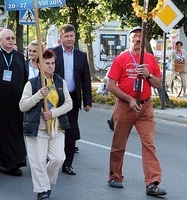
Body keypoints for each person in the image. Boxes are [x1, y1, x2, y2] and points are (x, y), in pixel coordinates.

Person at [106, 26, 167, 196]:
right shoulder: (121, 58)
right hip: (125, 106)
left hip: (145, 107)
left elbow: (159, 84)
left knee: (149, 144)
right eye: (135, 36)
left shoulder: (150, 59)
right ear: (130, 40)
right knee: (119, 144)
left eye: (141, 36)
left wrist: (148, 74)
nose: (138, 39)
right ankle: (115, 176)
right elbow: (110, 85)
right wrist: (129, 99)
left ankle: (152, 183)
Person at [19, 49, 72, 200]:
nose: (50, 66)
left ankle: (45, 182)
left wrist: (53, 113)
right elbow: (22, 106)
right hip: (37, 127)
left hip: (57, 126)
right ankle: (42, 190)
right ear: (39, 65)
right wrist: (37, 96)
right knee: (38, 161)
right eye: (46, 63)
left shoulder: (60, 82)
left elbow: (69, 104)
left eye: (52, 63)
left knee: (58, 158)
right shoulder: (32, 83)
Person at [0, 28, 28, 176]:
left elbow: (25, 79)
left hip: (15, 102)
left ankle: (13, 163)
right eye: (7, 38)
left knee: (14, 132)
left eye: (12, 38)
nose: (11, 40)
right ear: (1, 40)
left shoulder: (19, 56)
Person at [51, 24, 92, 175]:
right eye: (66, 36)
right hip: (54, 98)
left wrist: (87, 101)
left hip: (73, 98)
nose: (69, 39)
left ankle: (67, 163)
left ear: (75, 37)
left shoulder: (81, 55)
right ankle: (53, 158)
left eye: (71, 36)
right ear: (61, 38)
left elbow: (86, 79)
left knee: (71, 130)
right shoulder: (53, 53)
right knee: (54, 129)